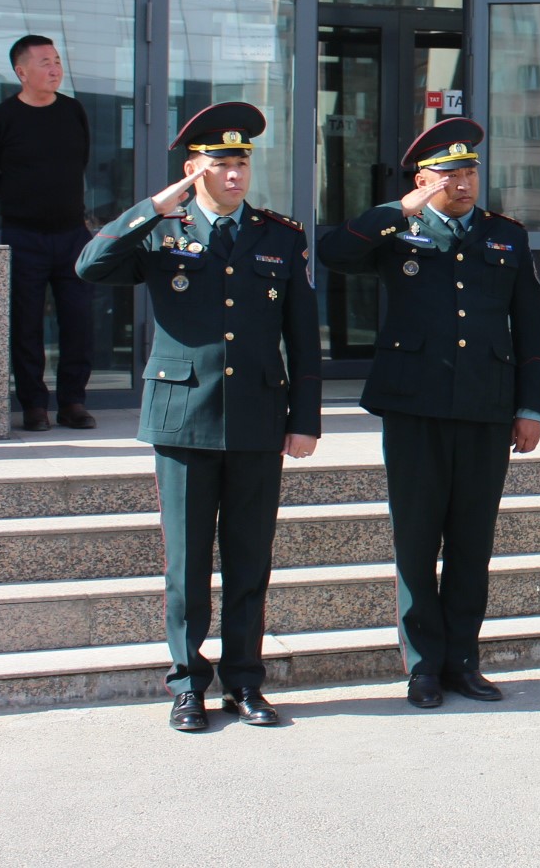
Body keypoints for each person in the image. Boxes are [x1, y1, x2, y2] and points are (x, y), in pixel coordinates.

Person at [77, 102, 320, 732]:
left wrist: (306, 419)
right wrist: (147, 210)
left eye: (242, 164)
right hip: (182, 415)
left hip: (258, 418)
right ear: (194, 170)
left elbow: (301, 336)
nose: (235, 176)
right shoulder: (162, 229)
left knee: (249, 560)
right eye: (222, 164)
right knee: (187, 565)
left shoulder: (280, 235)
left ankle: (245, 682)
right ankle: (187, 685)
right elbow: (90, 267)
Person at [317, 118, 540, 710]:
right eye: (448, 174)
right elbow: (333, 252)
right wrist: (397, 209)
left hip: (486, 406)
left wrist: (530, 407)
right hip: (415, 404)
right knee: (417, 538)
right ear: (424, 179)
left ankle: (463, 660)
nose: (463, 183)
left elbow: (530, 327)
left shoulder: (506, 235)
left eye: (469, 171)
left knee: (473, 540)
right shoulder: (399, 229)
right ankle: (422, 666)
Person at [0, 34, 97, 432]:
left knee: (77, 321)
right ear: (21, 71)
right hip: (23, 235)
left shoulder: (73, 111)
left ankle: (73, 402)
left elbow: (81, 161)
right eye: (44, 62)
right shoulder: (4, 118)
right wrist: (16, 201)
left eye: (57, 60)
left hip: (72, 236)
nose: (54, 68)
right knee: (26, 324)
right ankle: (34, 406)